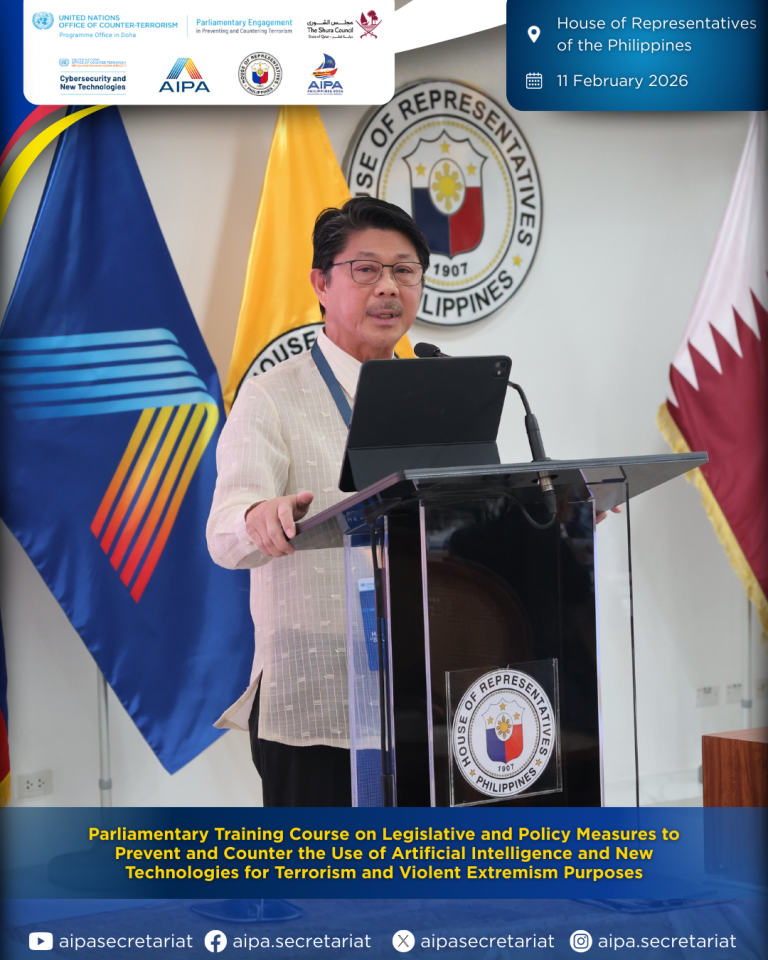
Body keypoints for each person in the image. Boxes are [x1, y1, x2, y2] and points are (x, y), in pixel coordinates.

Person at [206, 197, 430, 807]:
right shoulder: (271, 397)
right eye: (366, 269)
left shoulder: (435, 393)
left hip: (427, 688)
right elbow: (223, 533)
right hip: (316, 696)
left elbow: (465, 514)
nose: (389, 287)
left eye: (404, 271)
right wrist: (258, 519)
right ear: (321, 284)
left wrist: (546, 516)